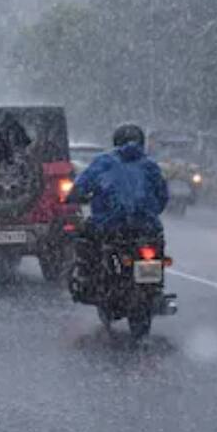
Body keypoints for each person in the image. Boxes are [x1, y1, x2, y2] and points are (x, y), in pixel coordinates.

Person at [70, 123, 168, 300]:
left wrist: (73, 196)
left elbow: (81, 185)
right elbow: (162, 195)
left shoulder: (104, 162)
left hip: (109, 224)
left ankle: (90, 282)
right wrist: (150, 213)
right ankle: (155, 287)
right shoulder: (150, 165)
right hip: (146, 226)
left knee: (84, 238)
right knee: (157, 246)